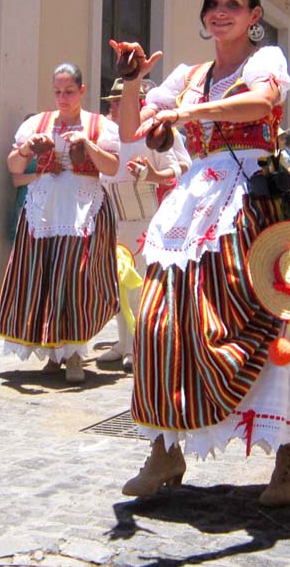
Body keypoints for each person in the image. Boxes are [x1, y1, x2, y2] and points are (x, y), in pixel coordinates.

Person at [111, 0, 290, 507]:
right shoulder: (187, 75)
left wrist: (190, 112)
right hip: (196, 204)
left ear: (255, 17)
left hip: (256, 199)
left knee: (269, 327)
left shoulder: (266, 61)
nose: (221, 11)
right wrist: (133, 81)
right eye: (214, 2)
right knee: (162, 323)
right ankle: (165, 448)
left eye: (233, 3)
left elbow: (259, 103)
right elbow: (127, 130)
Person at [0, 63, 121, 383]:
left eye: (68, 91)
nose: (62, 98)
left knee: (77, 276)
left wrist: (87, 145)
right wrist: (27, 147)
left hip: (84, 204)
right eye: (57, 91)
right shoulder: (39, 122)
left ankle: (76, 352)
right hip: (45, 205)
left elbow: (113, 166)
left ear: (81, 90)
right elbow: (13, 165)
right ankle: (53, 351)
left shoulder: (99, 124)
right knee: (45, 274)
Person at [96, 77, 188, 371]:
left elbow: (182, 165)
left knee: (141, 285)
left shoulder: (157, 131)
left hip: (146, 217)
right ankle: (124, 342)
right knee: (120, 284)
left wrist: (152, 175)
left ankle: (141, 346)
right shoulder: (104, 132)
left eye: (118, 102)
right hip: (113, 219)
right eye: (111, 102)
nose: (113, 107)